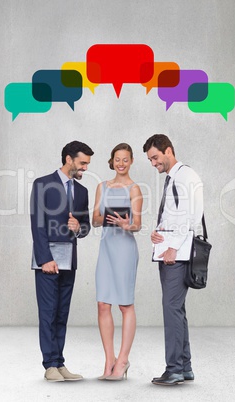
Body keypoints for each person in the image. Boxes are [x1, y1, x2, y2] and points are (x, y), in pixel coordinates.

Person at [30, 140, 94, 382]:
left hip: (69, 261)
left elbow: (85, 226)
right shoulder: (42, 184)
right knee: (48, 312)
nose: (85, 168)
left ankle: (59, 362)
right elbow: (37, 223)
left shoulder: (82, 191)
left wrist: (79, 228)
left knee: (61, 313)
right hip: (47, 261)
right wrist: (45, 259)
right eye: (82, 163)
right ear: (69, 159)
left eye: (87, 164)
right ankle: (49, 366)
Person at [143, 134, 203, 386]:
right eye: (150, 160)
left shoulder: (187, 176)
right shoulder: (173, 178)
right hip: (169, 251)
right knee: (176, 310)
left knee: (171, 310)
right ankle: (185, 367)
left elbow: (193, 216)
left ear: (168, 150)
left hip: (176, 256)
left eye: (155, 157)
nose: (153, 163)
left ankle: (175, 369)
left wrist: (174, 248)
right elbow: (176, 216)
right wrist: (159, 231)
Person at [92, 143, 143, 381]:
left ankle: (123, 361)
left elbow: (137, 225)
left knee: (124, 305)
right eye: (117, 159)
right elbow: (94, 220)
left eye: (125, 159)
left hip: (125, 249)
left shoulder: (135, 190)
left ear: (131, 161)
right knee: (103, 304)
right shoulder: (101, 187)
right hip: (106, 247)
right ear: (111, 161)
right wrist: (107, 218)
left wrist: (126, 224)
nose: (121, 163)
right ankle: (109, 360)